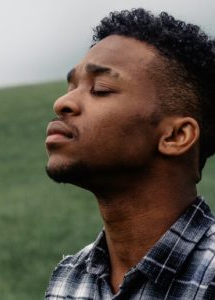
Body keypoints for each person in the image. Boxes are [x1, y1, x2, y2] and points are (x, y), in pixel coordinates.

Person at [44, 8, 215, 299]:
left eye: (100, 89)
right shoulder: (68, 279)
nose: (62, 102)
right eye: (71, 86)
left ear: (176, 136)